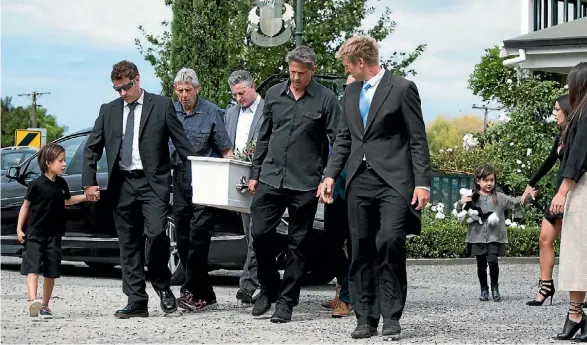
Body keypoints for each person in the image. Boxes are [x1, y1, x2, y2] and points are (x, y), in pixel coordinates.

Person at [319, 36, 431, 340]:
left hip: (394, 181)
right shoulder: (351, 91)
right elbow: (344, 138)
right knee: (360, 248)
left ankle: (392, 316)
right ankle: (365, 317)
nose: (345, 70)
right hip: (359, 180)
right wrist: (330, 175)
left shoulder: (403, 88)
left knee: (390, 241)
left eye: (347, 65)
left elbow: (418, 139)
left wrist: (422, 183)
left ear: (360, 62)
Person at [82, 60, 196, 318]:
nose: (123, 93)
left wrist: (196, 175)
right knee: (129, 244)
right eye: (118, 89)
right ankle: (136, 300)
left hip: (152, 183)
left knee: (156, 234)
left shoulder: (162, 105)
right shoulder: (108, 110)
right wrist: (89, 181)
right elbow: (92, 148)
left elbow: (182, 143)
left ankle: (163, 286)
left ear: (138, 79)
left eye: (126, 86)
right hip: (121, 184)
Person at [248, 45, 340, 323]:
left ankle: (286, 302)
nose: (296, 77)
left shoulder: (326, 99)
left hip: (305, 183)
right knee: (260, 235)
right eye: (292, 72)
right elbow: (263, 135)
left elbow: (338, 140)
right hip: (271, 178)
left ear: (312, 70)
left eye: (301, 73)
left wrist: (328, 176)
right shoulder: (274, 94)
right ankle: (268, 287)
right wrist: (255, 171)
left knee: (298, 244)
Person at [169, 68, 233, 312]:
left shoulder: (212, 112)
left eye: (188, 90)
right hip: (180, 179)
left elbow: (225, 149)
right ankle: (206, 293)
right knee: (183, 239)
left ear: (197, 89)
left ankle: (189, 290)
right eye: (180, 90)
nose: (184, 95)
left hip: (206, 178)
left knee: (198, 237)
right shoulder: (170, 112)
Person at [17, 143, 87, 319]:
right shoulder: (36, 184)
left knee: (51, 271)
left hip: (54, 235)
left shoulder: (62, 183)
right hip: (34, 233)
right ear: (48, 162)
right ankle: (33, 301)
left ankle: (45, 306)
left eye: (65, 160)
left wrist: (86, 196)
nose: (64, 164)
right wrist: (19, 228)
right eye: (61, 160)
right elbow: (25, 207)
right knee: (32, 268)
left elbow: (68, 201)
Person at [457, 164, 534, 302]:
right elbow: (460, 211)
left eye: (491, 180)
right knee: (481, 264)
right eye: (486, 180)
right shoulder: (472, 197)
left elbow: (515, 202)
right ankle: (484, 289)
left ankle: (494, 287)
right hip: (477, 237)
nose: (489, 183)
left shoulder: (499, 197)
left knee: (493, 262)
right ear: (478, 181)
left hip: (494, 237)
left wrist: (527, 196)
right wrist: (461, 202)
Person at [550, 62, 587, 342]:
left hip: (582, 188)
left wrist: (562, 192)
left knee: (578, 251)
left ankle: (575, 314)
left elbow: (577, 158)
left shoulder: (584, 113)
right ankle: (577, 315)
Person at [522, 95, 570, 306]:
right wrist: (530, 183)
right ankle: (546, 286)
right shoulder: (561, 136)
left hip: (576, 194)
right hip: (559, 195)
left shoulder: (580, 135)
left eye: (557, 109)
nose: (554, 113)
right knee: (544, 239)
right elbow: (550, 160)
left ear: (567, 110)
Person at [225, 70, 265, 305]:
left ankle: (248, 284)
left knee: (256, 232)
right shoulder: (230, 113)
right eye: (235, 95)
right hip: (238, 180)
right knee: (250, 233)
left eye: (241, 93)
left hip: (261, 179)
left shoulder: (267, 109)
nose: (239, 98)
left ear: (252, 87)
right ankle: (256, 282)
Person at [320, 74, 354, 318]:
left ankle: (347, 298)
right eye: (348, 86)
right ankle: (345, 292)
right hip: (335, 189)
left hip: (358, 190)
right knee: (330, 245)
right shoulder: (338, 113)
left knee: (356, 247)